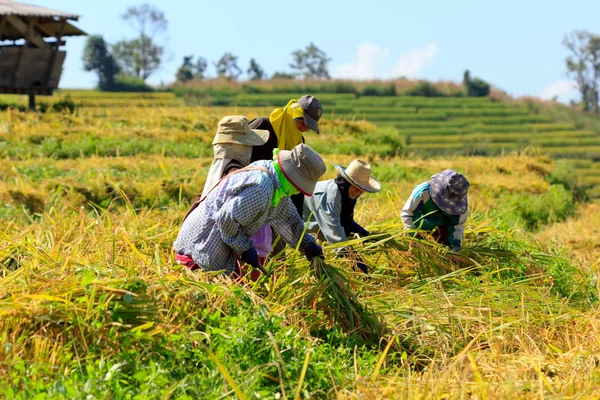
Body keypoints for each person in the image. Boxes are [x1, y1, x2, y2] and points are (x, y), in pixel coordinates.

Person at [173, 144, 327, 276]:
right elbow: (226, 218)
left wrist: (308, 245)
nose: (299, 191)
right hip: (202, 246)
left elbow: (288, 219)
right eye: (300, 186)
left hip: (213, 245)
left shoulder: (275, 181)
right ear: (293, 178)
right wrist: (245, 248)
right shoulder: (261, 188)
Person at [249, 95, 323, 216]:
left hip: (272, 203)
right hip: (246, 195)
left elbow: (297, 182)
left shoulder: (299, 144)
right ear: (294, 114)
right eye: (303, 123)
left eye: (308, 127)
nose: (304, 129)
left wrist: (297, 219)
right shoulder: (262, 126)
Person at [303, 160, 380, 273]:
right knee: (319, 265)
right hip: (301, 228)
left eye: (361, 191)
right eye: (355, 188)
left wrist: (364, 233)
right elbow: (335, 235)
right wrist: (356, 261)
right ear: (347, 183)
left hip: (322, 225)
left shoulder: (345, 194)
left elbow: (345, 220)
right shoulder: (329, 198)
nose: (357, 193)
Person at [401, 169, 469, 252]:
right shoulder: (423, 192)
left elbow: (457, 226)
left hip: (442, 227)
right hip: (420, 225)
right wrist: (417, 236)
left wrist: (455, 244)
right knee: (413, 250)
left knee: (446, 250)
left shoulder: (459, 205)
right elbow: (407, 214)